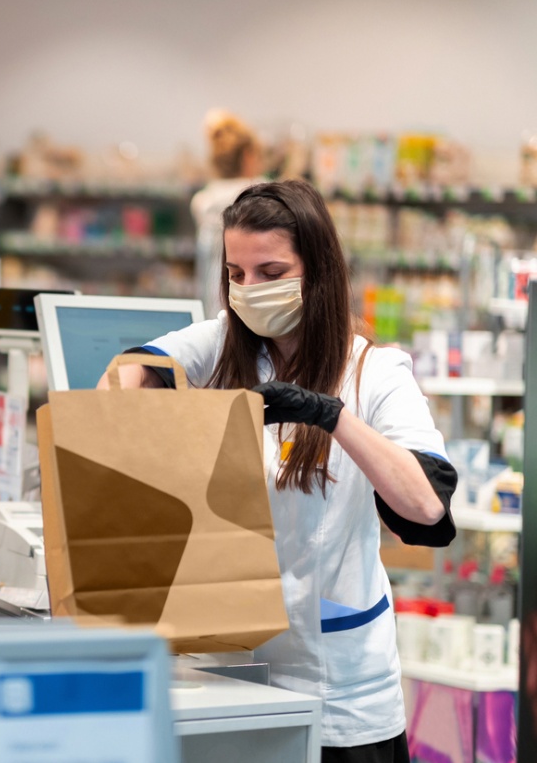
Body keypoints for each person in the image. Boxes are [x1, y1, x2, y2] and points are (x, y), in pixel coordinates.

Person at [102, 178, 457, 763]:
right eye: (236, 275)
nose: (249, 290)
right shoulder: (223, 344)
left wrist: (332, 416)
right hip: (229, 674)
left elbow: (426, 509)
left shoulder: (377, 371)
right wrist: (136, 414)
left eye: (270, 273)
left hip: (339, 687)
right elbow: (125, 373)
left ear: (316, 270)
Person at [191, 109, 265, 319]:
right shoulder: (260, 194)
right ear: (248, 157)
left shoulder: (202, 201)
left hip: (210, 310)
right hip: (248, 311)